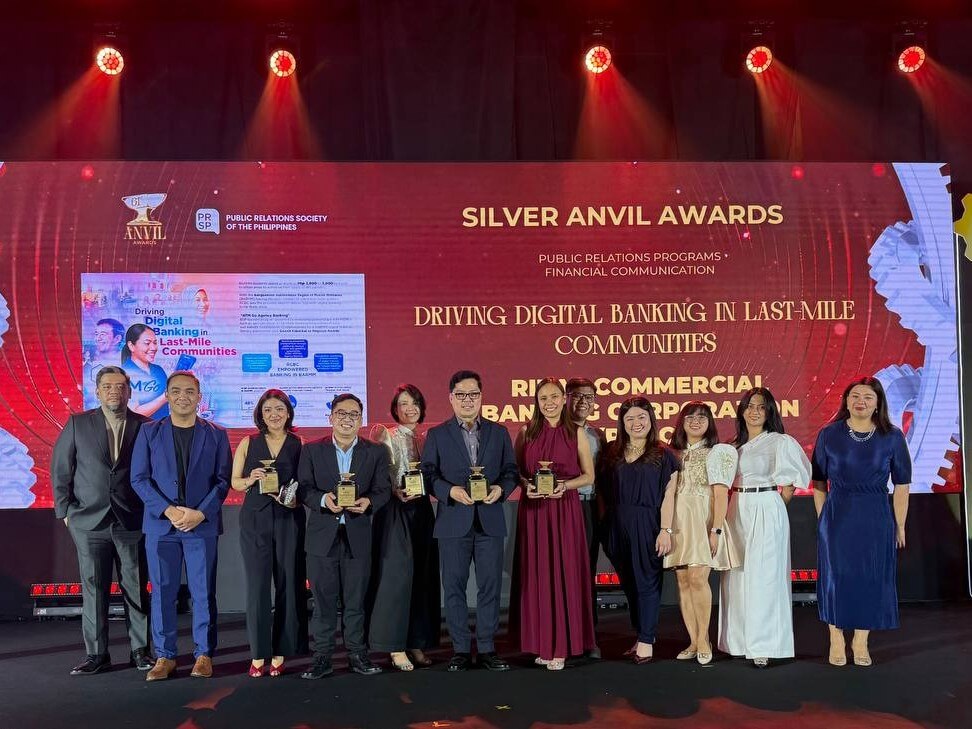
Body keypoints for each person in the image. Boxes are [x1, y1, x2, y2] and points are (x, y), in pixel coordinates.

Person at [51, 366, 154, 675]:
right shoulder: (77, 424)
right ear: (96, 391)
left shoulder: (146, 427)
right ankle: (97, 655)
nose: (114, 391)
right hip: (88, 522)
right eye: (107, 385)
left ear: (130, 391)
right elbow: (60, 471)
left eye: (120, 386)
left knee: (135, 588)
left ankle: (140, 651)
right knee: (94, 589)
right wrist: (66, 514)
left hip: (131, 522)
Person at [130, 371, 232, 681]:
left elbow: (223, 480)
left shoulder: (216, 434)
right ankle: (165, 656)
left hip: (201, 526)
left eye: (190, 391)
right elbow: (139, 479)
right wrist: (169, 510)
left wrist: (200, 513)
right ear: (168, 395)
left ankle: (203, 654)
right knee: (162, 592)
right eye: (176, 391)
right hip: (162, 526)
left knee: (203, 593)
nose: (183, 396)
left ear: (199, 397)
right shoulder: (149, 432)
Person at [421, 370, 519, 672]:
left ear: (481, 397)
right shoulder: (437, 435)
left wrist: (501, 489)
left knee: (489, 586)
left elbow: (511, 472)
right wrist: (449, 491)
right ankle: (461, 649)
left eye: (473, 394)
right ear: (451, 398)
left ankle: (488, 648)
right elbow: (428, 474)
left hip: (489, 518)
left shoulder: (499, 432)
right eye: (461, 394)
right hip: (453, 520)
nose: (467, 400)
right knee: (454, 587)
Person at [811, 377, 911, 667]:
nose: (861, 402)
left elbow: (902, 484)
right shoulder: (829, 434)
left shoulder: (892, 436)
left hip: (876, 513)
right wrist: (823, 518)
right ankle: (836, 638)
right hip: (838, 513)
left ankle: (861, 640)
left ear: (878, 402)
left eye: (868, 397)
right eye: (855, 396)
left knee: (870, 577)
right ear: (846, 400)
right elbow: (818, 480)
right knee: (836, 578)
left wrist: (899, 524)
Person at [298, 393, 391, 680]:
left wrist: (369, 504)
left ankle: (357, 655)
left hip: (358, 534)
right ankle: (322, 658)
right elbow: (304, 488)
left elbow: (383, 490)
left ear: (360, 420)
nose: (347, 419)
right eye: (342, 413)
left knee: (355, 601)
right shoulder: (312, 450)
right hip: (322, 535)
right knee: (323, 602)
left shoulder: (375, 452)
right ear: (331, 418)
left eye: (353, 414)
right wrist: (324, 499)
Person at [718, 387, 810, 668]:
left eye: (761, 406)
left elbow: (793, 480)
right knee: (736, 575)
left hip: (766, 504)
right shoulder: (733, 446)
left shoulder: (780, 441)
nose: (754, 411)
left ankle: (764, 645)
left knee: (766, 576)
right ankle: (737, 641)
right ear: (741, 411)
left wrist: (775, 505)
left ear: (770, 411)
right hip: (737, 507)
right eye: (749, 406)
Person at [511, 377, 596, 671]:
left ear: (564, 399)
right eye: (543, 397)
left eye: (554, 396)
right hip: (534, 512)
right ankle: (540, 642)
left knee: (563, 573)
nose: (549, 402)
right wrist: (526, 485)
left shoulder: (577, 433)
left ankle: (560, 645)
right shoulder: (526, 432)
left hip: (564, 511)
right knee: (537, 575)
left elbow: (589, 476)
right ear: (537, 401)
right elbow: (517, 474)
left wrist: (566, 486)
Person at [231, 389, 307, 677]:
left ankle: (281, 651)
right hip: (255, 520)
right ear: (260, 415)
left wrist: (293, 497)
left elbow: (306, 483)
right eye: (267, 410)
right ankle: (258, 654)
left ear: (288, 412)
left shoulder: (299, 443)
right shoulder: (248, 443)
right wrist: (252, 478)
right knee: (258, 587)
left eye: (279, 409)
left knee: (290, 583)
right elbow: (235, 483)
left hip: (289, 519)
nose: (274, 414)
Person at [599, 396, 679, 663]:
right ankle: (642, 634)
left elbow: (669, 495)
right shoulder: (611, 451)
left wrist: (665, 530)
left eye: (641, 418)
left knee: (647, 581)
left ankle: (647, 640)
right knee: (630, 584)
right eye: (629, 418)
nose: (636, 423)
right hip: (615, 523)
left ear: (651, 420)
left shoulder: (664, 453)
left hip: (647, 523)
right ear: (622, 422)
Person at [366, 384, 440, 671]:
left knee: (422, 577)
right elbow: (379, 475)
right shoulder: (385, 434)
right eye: (403, 404)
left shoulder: (426, 438)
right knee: (396, 579)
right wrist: (394, 491)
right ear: (394, 408)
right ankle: (394, 646)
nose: (409, 409)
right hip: (394, 510)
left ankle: (416, 642)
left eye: (414, 404)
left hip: (421, 510)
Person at [663, 401, 741, 666]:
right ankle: (693, 641)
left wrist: (716, 529)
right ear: (681, 422)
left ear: (710, 422)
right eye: (690, 417)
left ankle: (705, 639)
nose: (695, 421)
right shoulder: (671, 453)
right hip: (677, 522)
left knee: (698, 578)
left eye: (702, 417)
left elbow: (721, 494)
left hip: (703, 520)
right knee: (683, 582)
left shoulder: (718, 452)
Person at [565, 377, 608, 658]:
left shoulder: (597, 436)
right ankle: (563, 635)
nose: (584, 402)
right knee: (564, 572)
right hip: (563, 507)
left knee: (586, 572)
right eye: (578, 396)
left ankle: (588, 637)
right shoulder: (556, 432)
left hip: (589, 507)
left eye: (589, 397)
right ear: (567, 398)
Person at [121, 324, 168, 419]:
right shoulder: (123, 374)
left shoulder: (159, 370)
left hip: (162, 430)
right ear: (131, 346)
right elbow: (133, 413)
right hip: (140, 432)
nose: (153, 348)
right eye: (147, 343)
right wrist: (166, 397)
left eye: (155, 343)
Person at [82, 318, 125, 408]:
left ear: (117, 339)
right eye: (96, 334)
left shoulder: (126, 365)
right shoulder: (87, 364)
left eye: (103, 334)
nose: (98, 338)